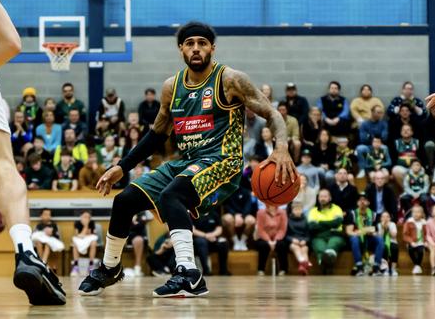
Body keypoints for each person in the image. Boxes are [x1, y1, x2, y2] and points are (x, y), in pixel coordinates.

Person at [78, 22, 295, 297]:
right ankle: (110, 268)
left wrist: (282, 147)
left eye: (202, 43)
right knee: (125, 201)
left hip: (222, 161)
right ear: (181, 48)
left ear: (212, 49)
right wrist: (122, 167)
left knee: (173, 195)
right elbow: (157, 134)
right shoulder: (172, 86)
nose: (196, 48)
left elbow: (273, 114)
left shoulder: (229, 79)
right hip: (187, 163)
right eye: (190, 43)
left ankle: (189, 274)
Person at [307, 189, 345, 273]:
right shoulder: (313, 211)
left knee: (332, 245)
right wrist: (330, 224)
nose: (322, 198)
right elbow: (312, 226)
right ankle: (328, 265)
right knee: (320, 247)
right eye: (321, 196)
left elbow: (338, 222)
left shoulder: (337, 208)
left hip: (335, 235)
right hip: (318, 236)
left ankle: (324, 264)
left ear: (330, 198)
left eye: (325, 196)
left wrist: (320, 222)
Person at [345, 195, 383, 276]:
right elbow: (349, 231)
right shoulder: (352, 214)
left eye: (364, 200)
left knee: (380, 239)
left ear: (368, 202)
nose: (362, 202)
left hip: (369, 239)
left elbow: (376, 230)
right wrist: (360, 232)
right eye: (360, 200)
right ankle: (359, 267)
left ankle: (376, 267)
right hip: (357, 239)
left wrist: (369, 231)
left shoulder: (374, 215)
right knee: (354, 239)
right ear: (357, 203)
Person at [192, 210, 229, 276]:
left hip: (213, 238)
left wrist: (213, 235)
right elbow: (193, 230)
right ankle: (206, 270)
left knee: (223, 242)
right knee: (201, 242)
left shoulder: (214, 214)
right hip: (199, 239)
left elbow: (219, 228)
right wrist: (206, 236)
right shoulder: (194, 214)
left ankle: (223, 270)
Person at [255, 204, 289, 276]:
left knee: (282, 245)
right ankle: (261, 269)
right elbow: (260, 229)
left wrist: (275, 240)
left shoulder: (282, 212)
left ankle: (283, 269)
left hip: (278, 237)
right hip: (263, 237)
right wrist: (269, 241)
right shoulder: (260, 213)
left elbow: (282, 229)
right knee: (263, 245)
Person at [222, 180, 256, 251]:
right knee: (227, 219)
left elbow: (248, 206)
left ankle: (243, 241)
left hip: (244, 215)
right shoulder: (228, 192)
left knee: (251, 220)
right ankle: (235, 241)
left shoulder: (246, 191)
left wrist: (242, 216)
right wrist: (235, 215)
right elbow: (226, 205)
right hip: (232, 214)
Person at [356, 106, 389, 175]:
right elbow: (363, 139)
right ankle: (362, 169)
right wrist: (377, 136)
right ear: (372, 112)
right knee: (360, 148)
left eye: (381, 113)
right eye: (378, 112)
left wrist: (370, 136)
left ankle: (382, 167)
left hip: (379, 145)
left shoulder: (383, 124)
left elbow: (384, 137)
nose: (380, 114)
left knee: (384, 147)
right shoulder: (364, 124)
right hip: (368, 146)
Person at [286, 200, 311, 275]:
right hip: (292, 242)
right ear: (292, 210)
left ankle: (303, 268)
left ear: (302, 210)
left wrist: (305, 241)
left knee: (305, 248)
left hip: (303, 241)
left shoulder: (305, 220)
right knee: (295, 247)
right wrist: (292, 240)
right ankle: (304, 263)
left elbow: (308, 234)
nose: (297, 211)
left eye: (299, 209)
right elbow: (286, 235)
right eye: (295, 209)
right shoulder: (288, 220)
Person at [71, 211, 98, 277]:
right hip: (80, 239)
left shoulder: (92, 223)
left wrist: (86, 225)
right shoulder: (77, 223)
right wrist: (85, 226)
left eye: (88, 217)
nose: (86, 218)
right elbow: (78, 235)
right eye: (85, 217)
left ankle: (91, 265)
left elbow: (91, 234)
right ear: (81, 217)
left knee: (94, 243)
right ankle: (76, 266)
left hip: (89, 239)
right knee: (74, 244)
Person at [126, 211, 152, 277]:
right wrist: (134, 223)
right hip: (128, 236)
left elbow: (141, 225)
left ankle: (137, 267)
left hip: (140, 235)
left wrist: (134, 223)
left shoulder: (142, 212)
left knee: (138, 240)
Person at [403, 205, 427, 275]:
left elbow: (426, 234)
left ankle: (417, 265)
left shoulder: (424, 223)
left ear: (422, 214)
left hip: (421, 242)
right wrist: (411, 241)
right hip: (412, 242)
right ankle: (417, 265)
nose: (416, 214)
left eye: (418, 212)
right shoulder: (409, 222)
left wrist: (425, 241)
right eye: (414, 212)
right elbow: (405, 235)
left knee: (420, 251)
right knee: (410, 250)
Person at [377, 211, 398, 276]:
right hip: (382, 242)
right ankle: (385, 268)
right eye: (383, 217)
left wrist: (388, 228)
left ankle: (393, 269)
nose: (385, 218)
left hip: (392, 241)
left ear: (390, 218)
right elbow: (380, 236)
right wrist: (383, 228)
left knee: (394, 247)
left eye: (387, 216)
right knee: (383, 247)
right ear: (381, 218)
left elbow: (394, 235)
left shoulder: (392, 224)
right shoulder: (379, 225)